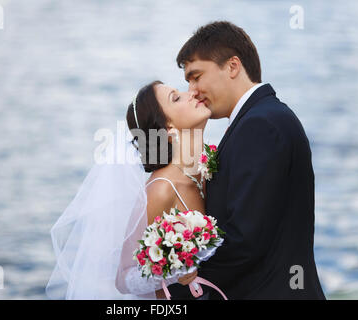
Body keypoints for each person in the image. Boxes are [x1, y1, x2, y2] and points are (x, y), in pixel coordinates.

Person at [167, 21, 326, 299]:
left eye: (196, 76)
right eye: (188, 81)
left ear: (232, 66)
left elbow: (245, 240)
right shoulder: (260, 118)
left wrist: (180, 288)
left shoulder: (261, 125)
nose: (192, 90)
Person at [46, 80, 210, 299]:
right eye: (176, 97)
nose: (190, 93)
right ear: (168, 128)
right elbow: (123, 279)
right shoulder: (161, 190)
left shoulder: (204, 166)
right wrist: (176, 270)